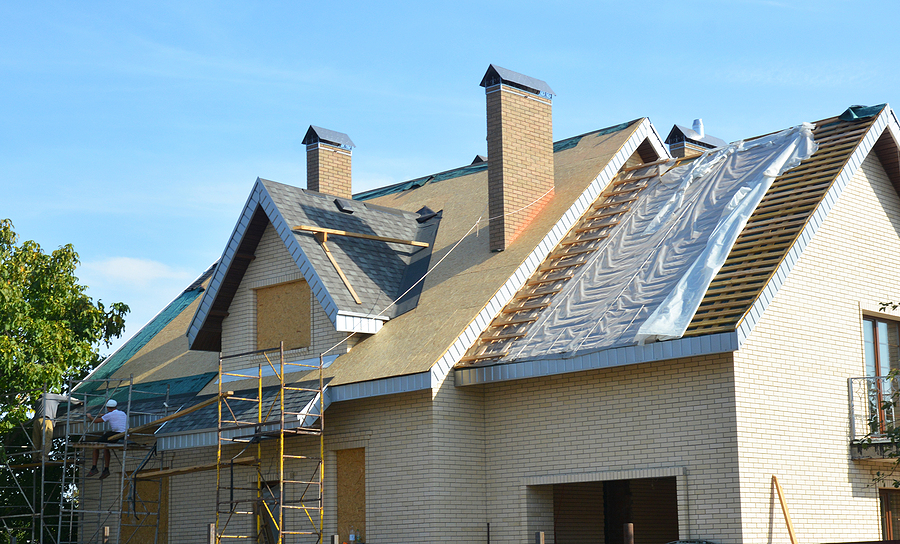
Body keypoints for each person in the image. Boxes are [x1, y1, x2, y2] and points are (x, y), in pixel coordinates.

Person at [32, 393, 82, 461]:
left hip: (36, 421)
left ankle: (34, 458)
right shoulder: (53, 396)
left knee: (36, 441)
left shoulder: (38, 401)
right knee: (47, 439)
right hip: (46, 420)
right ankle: (43, 458)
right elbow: (67, 399)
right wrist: (79, 401)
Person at [86, 399, 127, 480]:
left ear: (108, 408)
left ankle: (94, 467)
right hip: (124, 435)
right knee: (105, 447)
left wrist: (90, 416)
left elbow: (96, 421)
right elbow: (114, 417)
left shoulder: (109, 415)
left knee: (96, 444)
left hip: (116, 434)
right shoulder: (123, 413)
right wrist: (105, 415)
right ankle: (106, 469)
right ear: (115, 406)